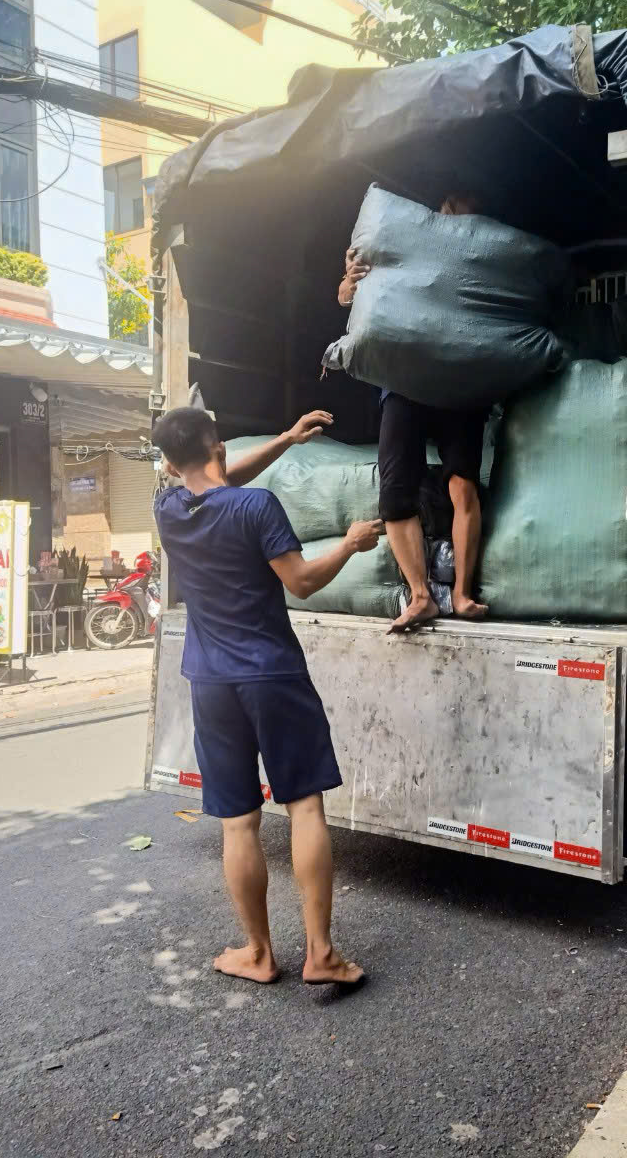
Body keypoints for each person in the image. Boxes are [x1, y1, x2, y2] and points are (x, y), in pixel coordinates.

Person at [151, 404, 382, 987]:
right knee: (303, 806)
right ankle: (321, 954)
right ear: (219, 447)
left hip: (210, 683)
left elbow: (213, 480)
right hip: (272, 674)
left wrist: (285, 440)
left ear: (170, 464)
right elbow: (301, 581)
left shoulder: (167, 509)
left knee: (237, 823)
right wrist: (351, 543)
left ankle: (258, 953)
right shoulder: (258, 507)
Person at [338, 190, 490, 633]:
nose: (457, 224)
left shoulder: (481, 256)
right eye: (453, 214)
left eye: (467, 218)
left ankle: (461, 594)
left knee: (463, 484)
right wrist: (350, 283)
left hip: (459, 384)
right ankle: (421, 597)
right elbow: (348, 297)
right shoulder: (403, 245)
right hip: (403, 385)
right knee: (395, 493)